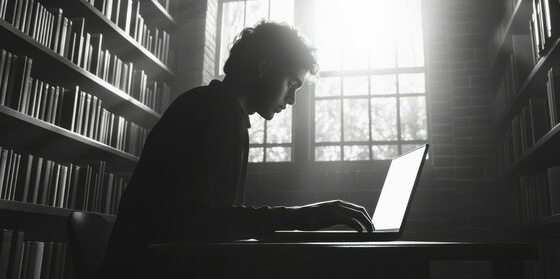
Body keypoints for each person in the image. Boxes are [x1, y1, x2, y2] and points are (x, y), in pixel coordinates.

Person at [101, 20, 374, 278]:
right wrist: (302, 216)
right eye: (291, 83)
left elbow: (209, 227)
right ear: (264, 67)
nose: (291, 99)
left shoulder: (220, 111)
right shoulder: (213, 113)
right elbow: (192, 224)